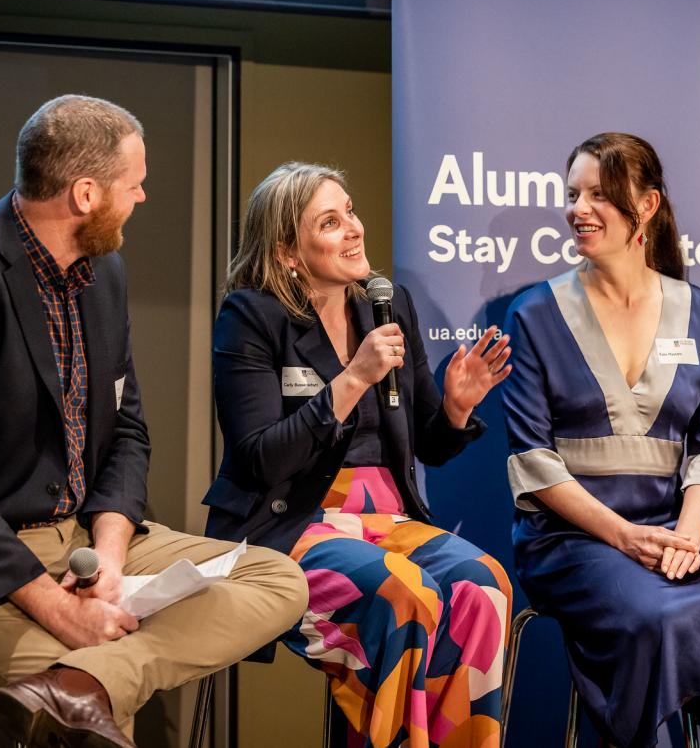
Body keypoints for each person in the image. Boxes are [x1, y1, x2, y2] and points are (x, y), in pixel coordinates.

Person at [0, 95, 308, 748]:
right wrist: (58, 606)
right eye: (135, 183)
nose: (143, 196)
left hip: (79, 539)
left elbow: (126, 432)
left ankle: (83, 681)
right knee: (87, 735)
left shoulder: (104, 272)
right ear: (86, 193)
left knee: (277, 577)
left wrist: (112, 561)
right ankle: (83, 692)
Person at [203, 162, 514, 748]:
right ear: (289, 252)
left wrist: (454, 409)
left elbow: (429, 445)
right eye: (329, 221)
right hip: (290, 522)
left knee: (483, 583)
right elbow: (259, 460)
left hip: (388, 520)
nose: (353, 228)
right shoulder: (252, 316)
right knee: (402, 592)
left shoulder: (387, 303)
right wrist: (351, 379)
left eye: (349, 211)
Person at [502, 133, 700, 748]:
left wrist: (686, 537)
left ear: (647, 206)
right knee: (657, 616)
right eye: (573, 193)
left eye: (600, 194)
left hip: (668, 531)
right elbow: (532, 461)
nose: (579, 208)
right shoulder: (533, 313)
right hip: (569, 541)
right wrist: (625, 537)